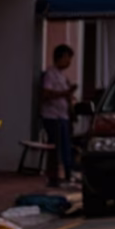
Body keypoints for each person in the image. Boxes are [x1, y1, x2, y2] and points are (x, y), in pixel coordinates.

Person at [41, 44, 77, 188]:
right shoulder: (51, 74)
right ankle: (53, 178)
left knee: (66, 147)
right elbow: (46, 94)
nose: (69, 62)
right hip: (52, 116)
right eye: (67, 58)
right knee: (55, 147)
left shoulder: (63, 76)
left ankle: (67, 174)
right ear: (61, 57)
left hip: (63, 116)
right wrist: (65, 93)